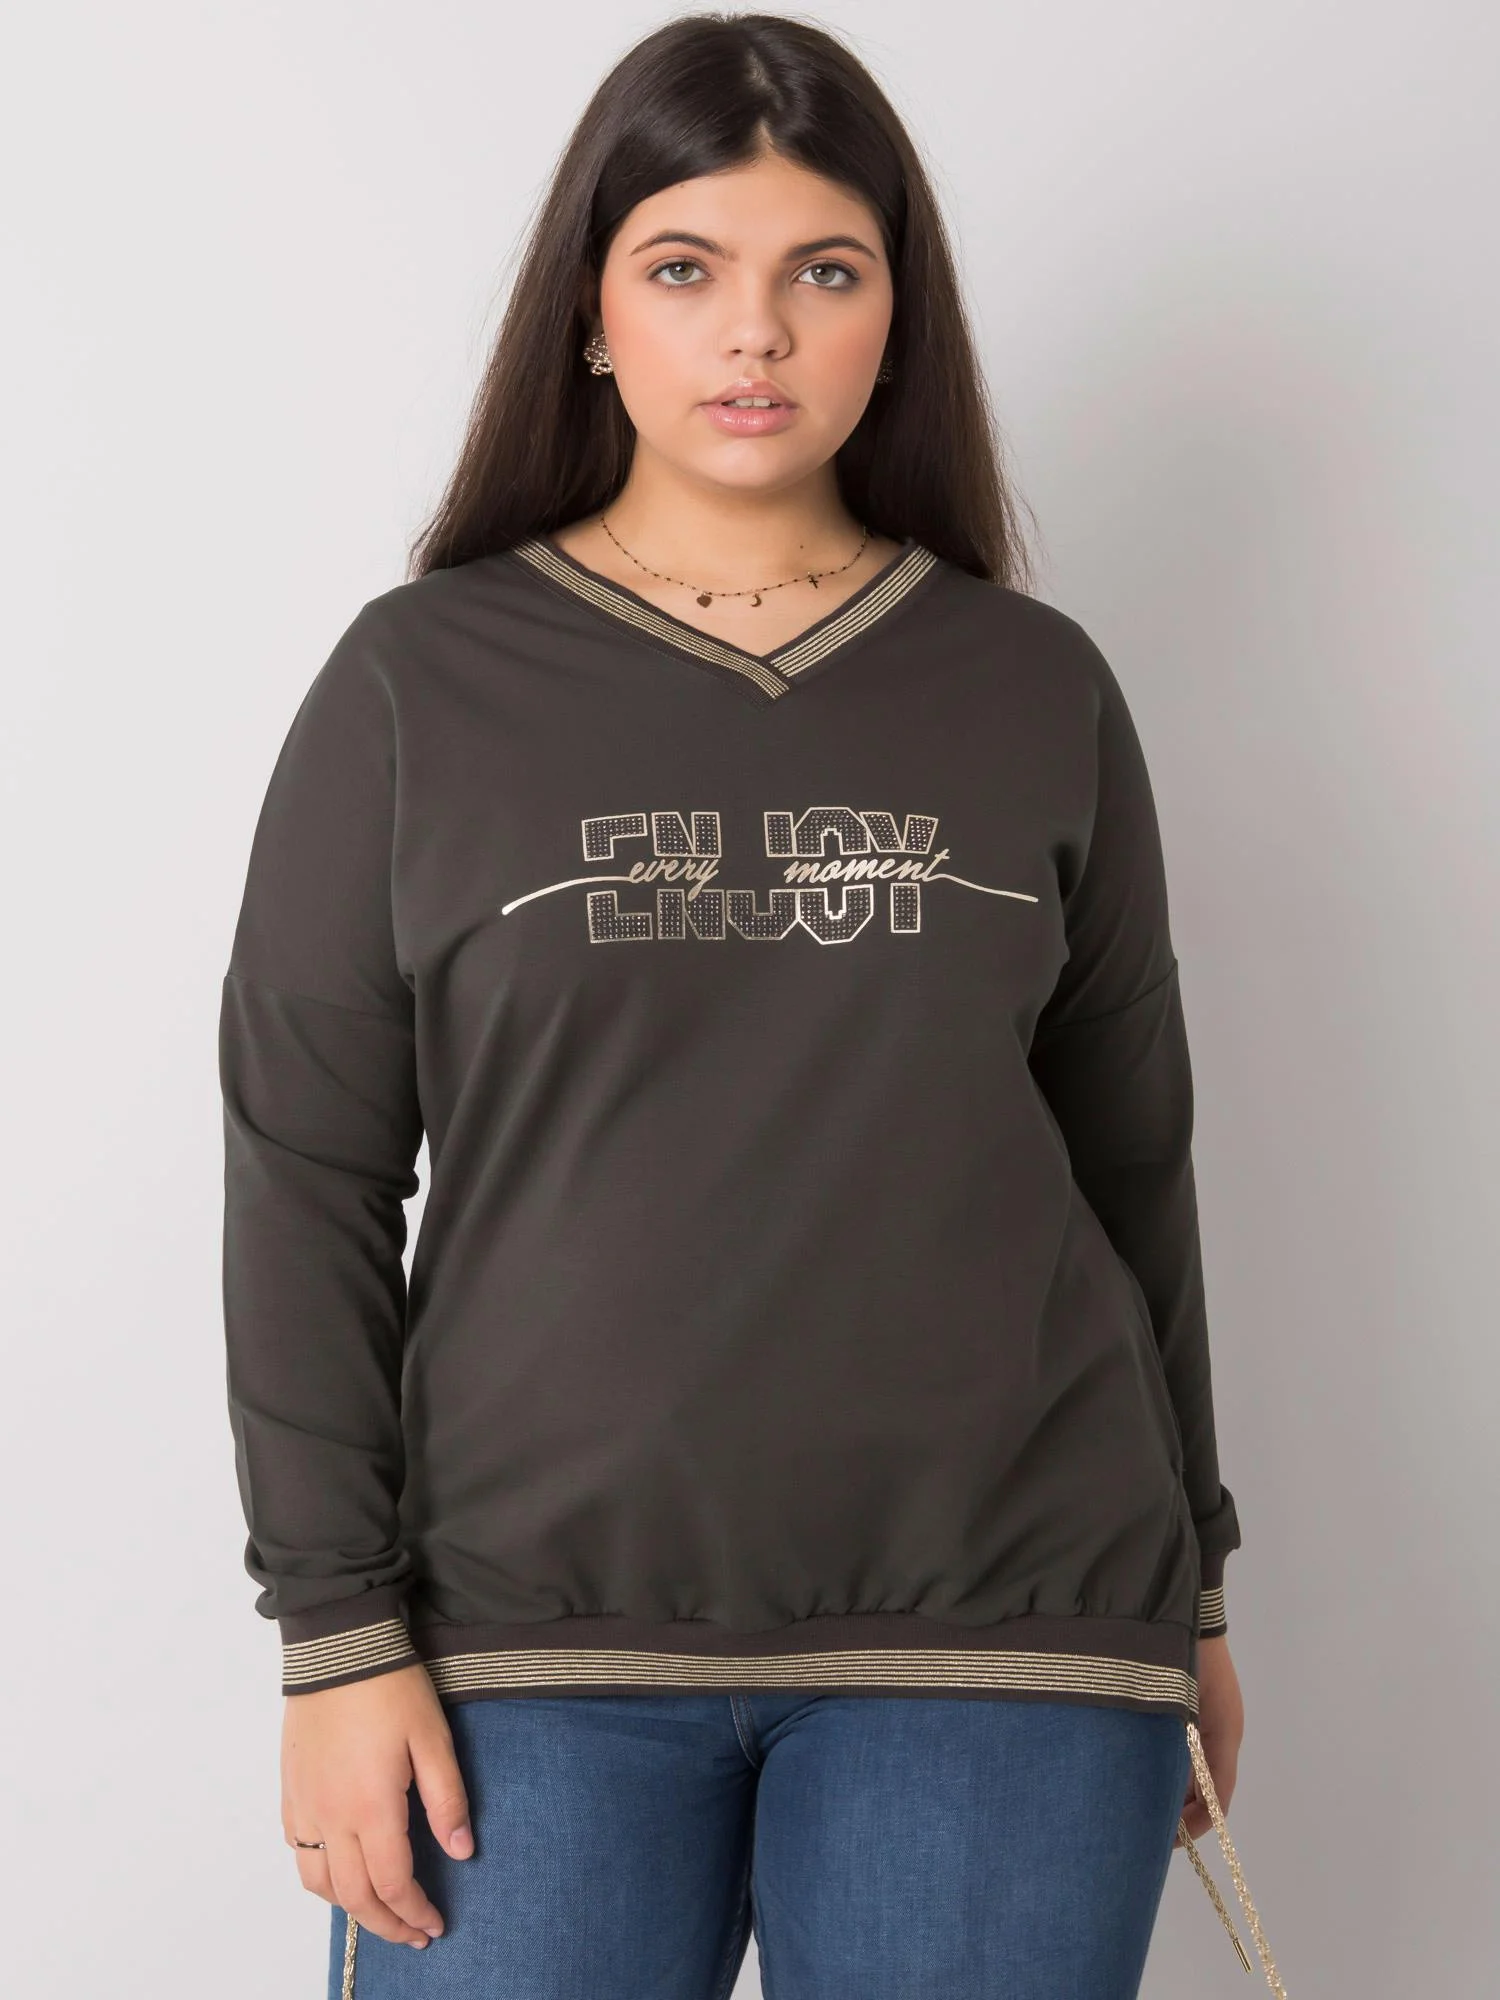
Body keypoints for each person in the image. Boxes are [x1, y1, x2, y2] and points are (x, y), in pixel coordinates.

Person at [219, 14, 1283, 1998]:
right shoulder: (418, 684)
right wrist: (336, 1636)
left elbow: (1135, 1167)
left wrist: (1192, 1588)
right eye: (687, 266)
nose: (757, 333)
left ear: (898, 319)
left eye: (827, 271)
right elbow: (307, 1175)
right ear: (593, 313)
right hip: (520, 1644)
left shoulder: (1035, 688)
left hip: (1016, 1630)